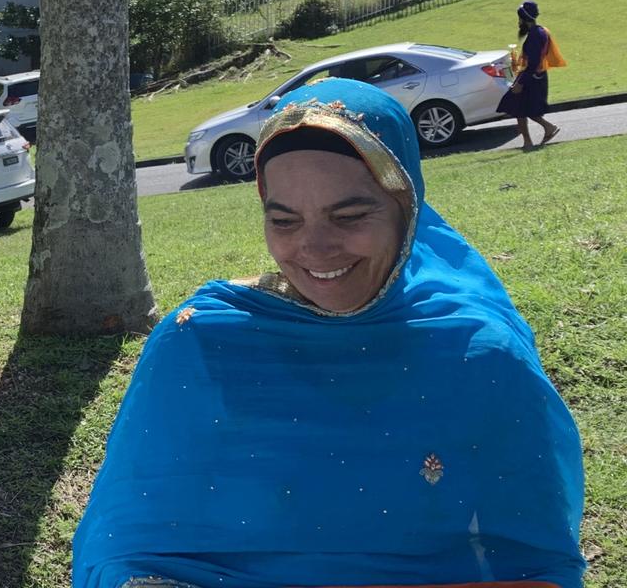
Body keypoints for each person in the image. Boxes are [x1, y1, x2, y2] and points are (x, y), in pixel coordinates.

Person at [73, 79, 584, 588]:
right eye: (284, 220)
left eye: (350, 215)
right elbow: (124, 546)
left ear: (407, 209)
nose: (315, 249)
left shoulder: (477, 354)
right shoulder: (203, 343)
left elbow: (541, 567)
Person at [497, 0, 565, 150]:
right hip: (534, 76)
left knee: (519, 107)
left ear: (524, 19)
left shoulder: (535, 35)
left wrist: (520, 83)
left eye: (519, 19)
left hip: (532, 78)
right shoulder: (540, 31)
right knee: (520, 108)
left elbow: (533, 63)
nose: (518, 22)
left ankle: (543, 131)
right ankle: (536, 136)